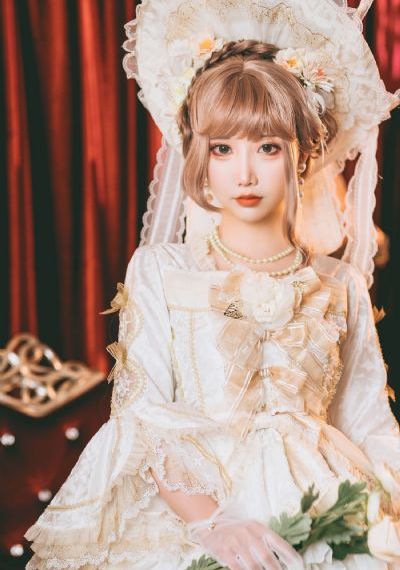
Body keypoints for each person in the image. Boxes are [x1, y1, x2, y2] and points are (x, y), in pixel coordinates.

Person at [25, 1, 400, 568]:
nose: (243, 173)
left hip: (328, 503)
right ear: (199, 156)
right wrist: (215, 526)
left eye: (267, 147)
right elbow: (144, 416)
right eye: (222, 148)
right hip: (197, 511)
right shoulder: (161, 270)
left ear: (301, 154)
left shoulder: (340, 282)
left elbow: (368, 422)